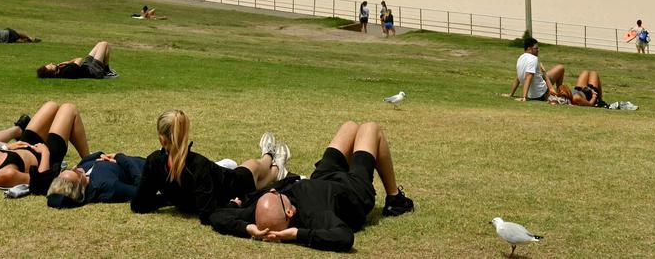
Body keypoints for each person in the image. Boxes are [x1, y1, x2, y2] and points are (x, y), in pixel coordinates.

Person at [209, 121, 413, 251]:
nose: (273, 190)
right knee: (371, 128)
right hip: (352, 190)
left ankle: (354, 160)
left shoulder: (262, 212)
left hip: (322, 178)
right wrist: (297, 234)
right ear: (290, 212)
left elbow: (215, 216)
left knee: (350, 126)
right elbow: (344, 238)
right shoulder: (315, 216)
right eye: (276, 195)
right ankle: (395, 199)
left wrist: (248, 228)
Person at [131, 110, 288, 224]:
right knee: (255, 169)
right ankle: (273, 162)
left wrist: (169, 199)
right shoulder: (198, 165)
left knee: (256, 170)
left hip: (228, 182)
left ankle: (270, 157)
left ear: (162, 139)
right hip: (233, 188)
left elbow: (139, 204)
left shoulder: (155, 162)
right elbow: (207, 214)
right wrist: (232, 205)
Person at [0, 101, 90, 195]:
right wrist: (45, 153)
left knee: (51, 106)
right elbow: (40, 183)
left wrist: (7, 147)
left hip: (27, 145)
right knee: (69, 109)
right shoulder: (4, 175)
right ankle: (88, 160)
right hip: (47, 155)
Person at [47, 151, 146, 209]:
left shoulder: (83, 173)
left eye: (67, 169)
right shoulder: (107, 186)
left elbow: (54, 199)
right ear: (81, 187)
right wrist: (120, 158)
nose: (75, 167)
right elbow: (140, 191)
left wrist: (102, 156)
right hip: (149, 167)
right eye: (76, 173)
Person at [506, 37, 565, 103]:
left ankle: (558, 93)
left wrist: (511, 94)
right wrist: (524, 97)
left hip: (531, 93)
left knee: (547, 73)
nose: (538, 50)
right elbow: (529, 77)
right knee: (561, 68)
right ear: (529, 49)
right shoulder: (533, 59)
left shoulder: (520, 58)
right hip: (541, 94)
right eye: (536, 48)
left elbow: (518, 77)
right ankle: (559, 93)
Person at [37, 41, 113, 79]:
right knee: (104, 44)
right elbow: (79, 59)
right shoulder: (66, 72)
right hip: (94, 71)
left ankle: (107, 70)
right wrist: (69, 62)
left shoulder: (59, 69)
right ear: (52, 73)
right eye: (50, 66)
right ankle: (107, 71)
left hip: (87, 65)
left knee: (100, 44)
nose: (51, 63)